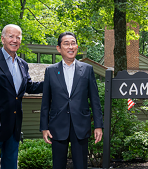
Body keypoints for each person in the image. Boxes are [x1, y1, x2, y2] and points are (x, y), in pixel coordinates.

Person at [40, 32, 103, 169]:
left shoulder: (87, 70)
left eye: (73, 43)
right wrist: (44, 127)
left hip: (80, 125)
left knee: (81, 166)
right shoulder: (50, 71)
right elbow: (45, 102)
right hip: (57, 126)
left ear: (77, 46)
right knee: (58, 166)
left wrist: (98, 125)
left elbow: (95, 100)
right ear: (58, 48)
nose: (71, 46)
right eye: (66, 43)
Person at [0, 24, 43, 169]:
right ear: (2, 39)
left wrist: (52, 83)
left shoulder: (23, 64)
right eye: (11, 36)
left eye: (18, 37)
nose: (15, 40)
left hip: (14, 127)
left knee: (10, 165)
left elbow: (29, 87)